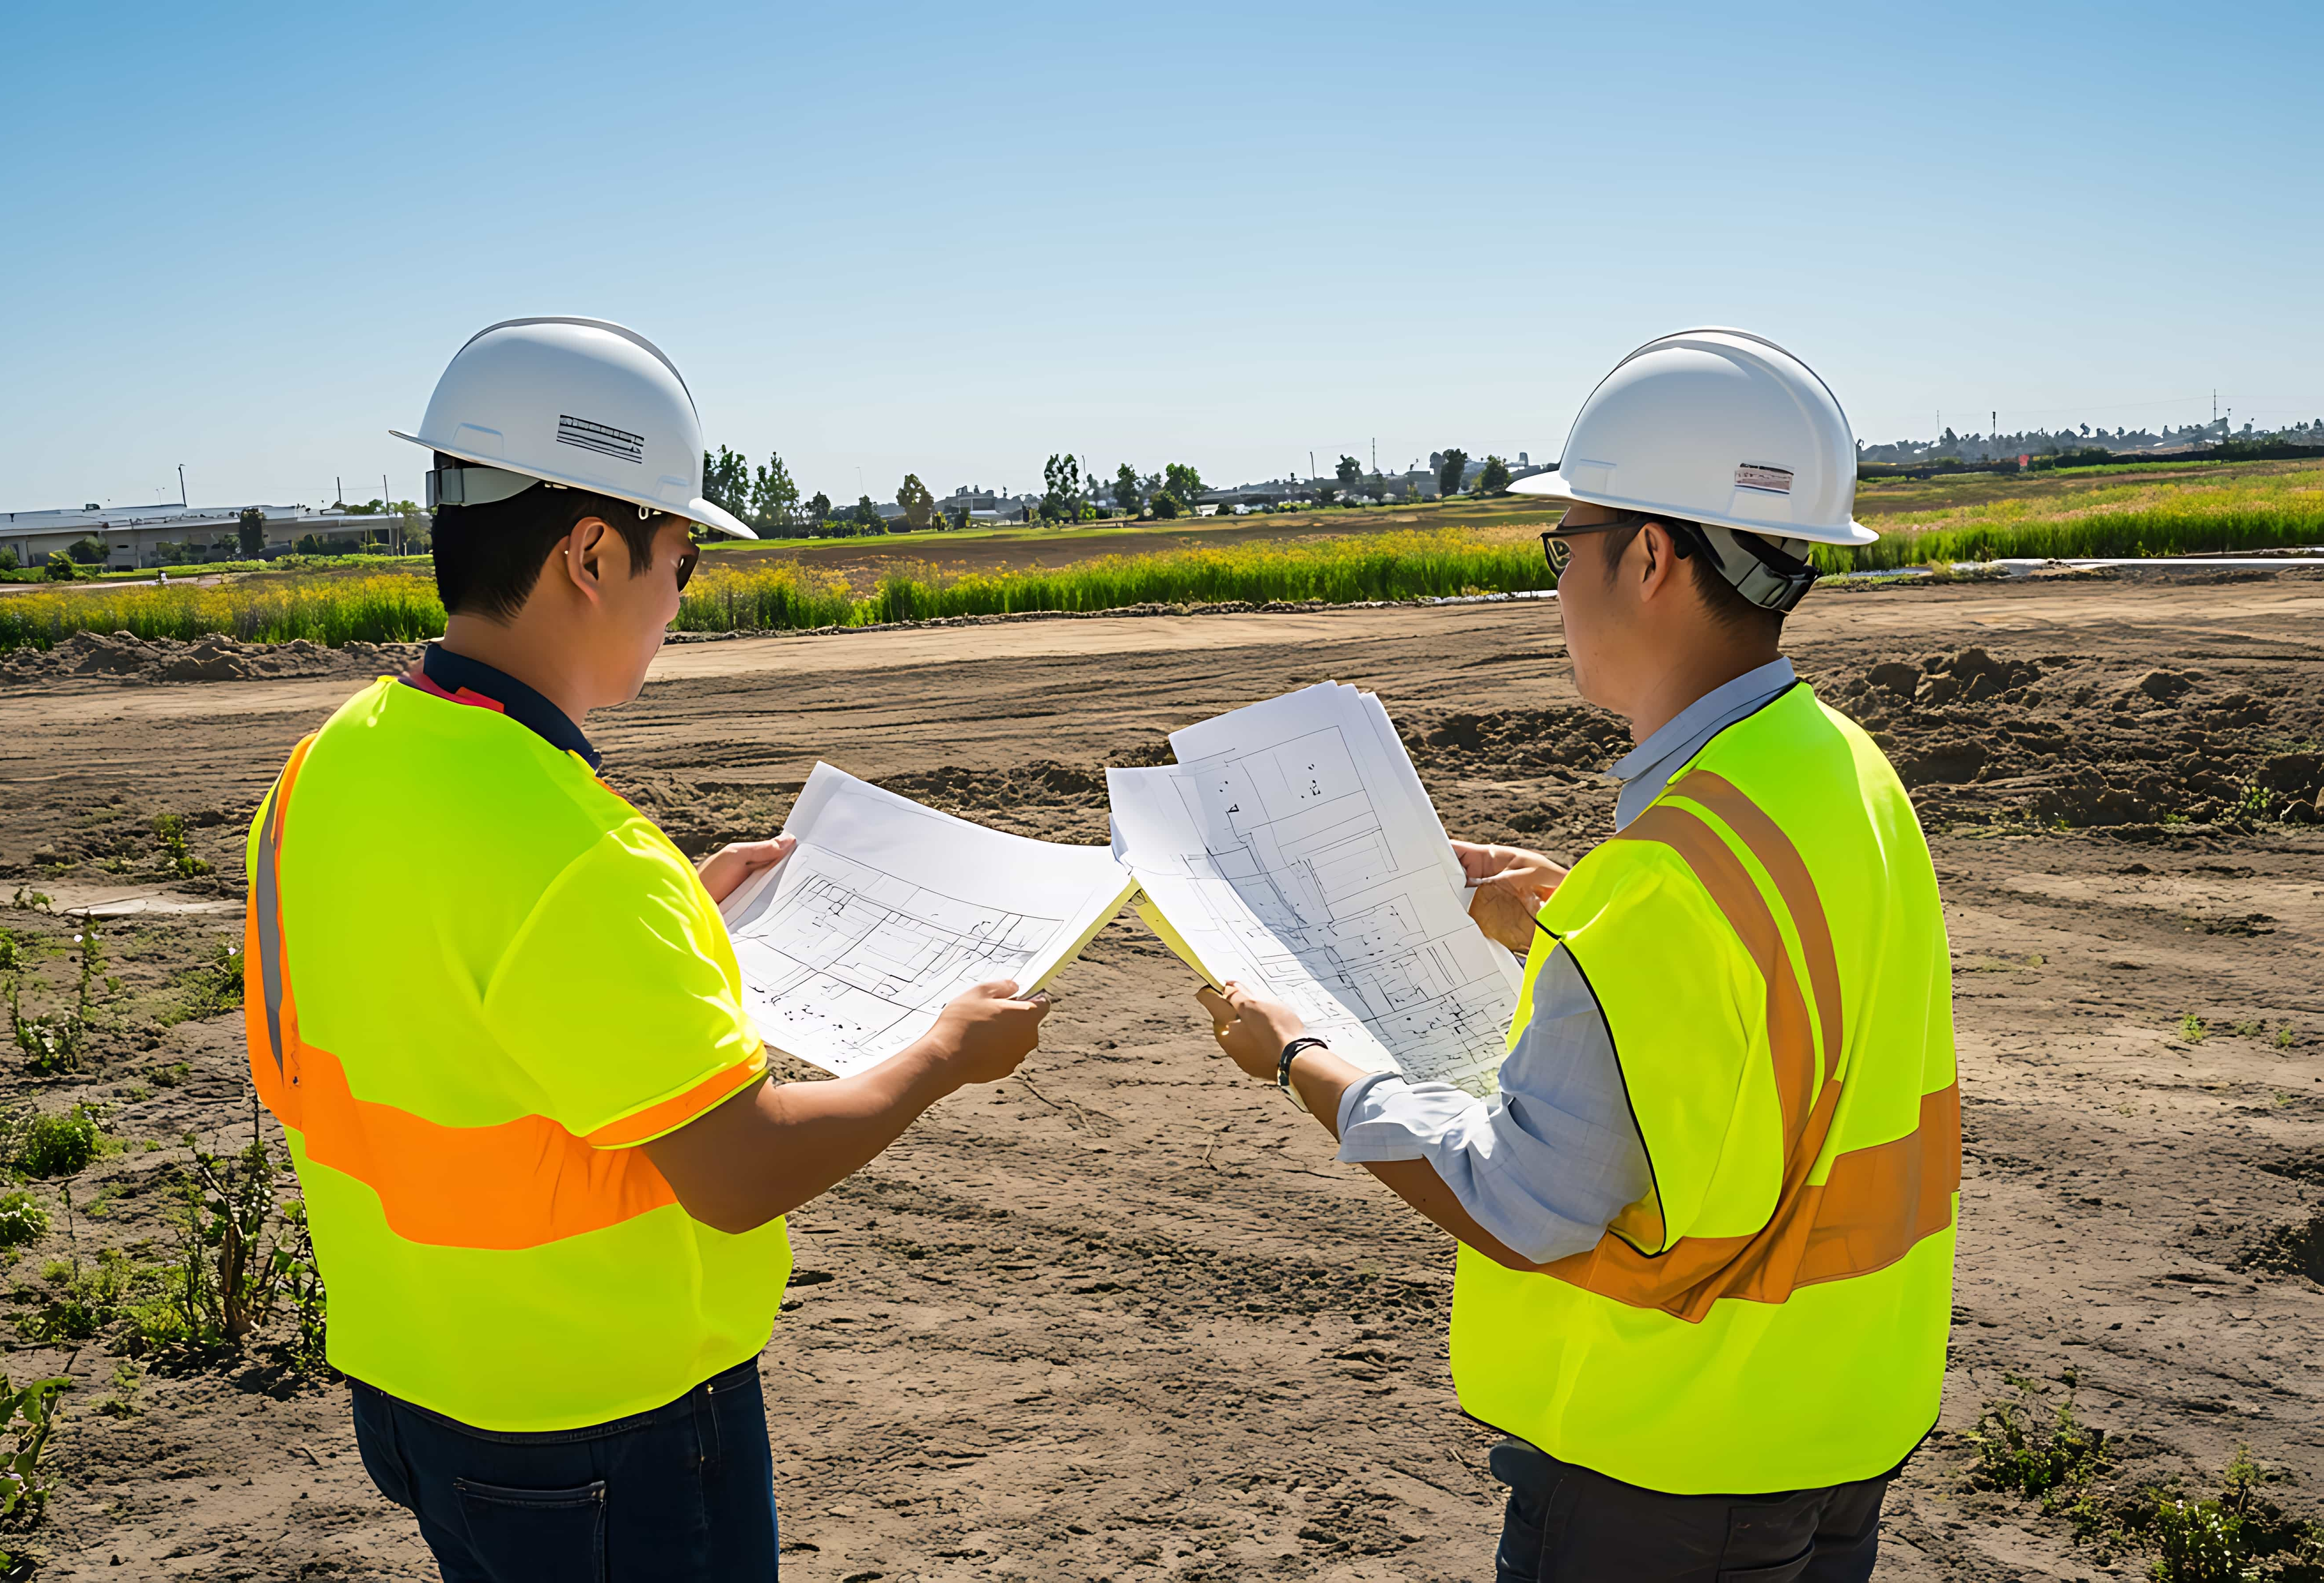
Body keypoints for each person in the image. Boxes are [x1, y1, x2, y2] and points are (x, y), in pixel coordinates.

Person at [243, 317, 1053, 1581]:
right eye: (681, 558)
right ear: (589, 553)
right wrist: (943, 1055)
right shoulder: (577, 858)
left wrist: (670, 923)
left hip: (415, 1384)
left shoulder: (328, 764)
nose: (682, 595)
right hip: (599, 1429)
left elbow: (448, 1003)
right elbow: (733, 1173)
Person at [1194, 328, 1958, 1582]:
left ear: (1650, 556)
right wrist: (1570, 920)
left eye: (1567, 544)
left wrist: (1298, 1062)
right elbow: (1770, 1027)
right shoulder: (1839, 770)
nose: (1556, 585)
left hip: (1669, 1466)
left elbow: (1529, 1200)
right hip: (1837, 1428)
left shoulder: (1660, 885)